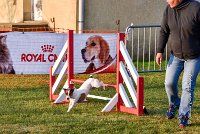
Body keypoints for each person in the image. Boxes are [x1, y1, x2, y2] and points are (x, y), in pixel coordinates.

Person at [156, 0, 200, 127]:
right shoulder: (168, 9)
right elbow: (164, 31)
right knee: (169, 83)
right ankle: (174, 103)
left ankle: (184, 114)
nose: (167, 1)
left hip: (194, 57)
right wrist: (159, 51)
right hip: (175, 56)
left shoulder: (196, 8)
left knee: (187, 86)